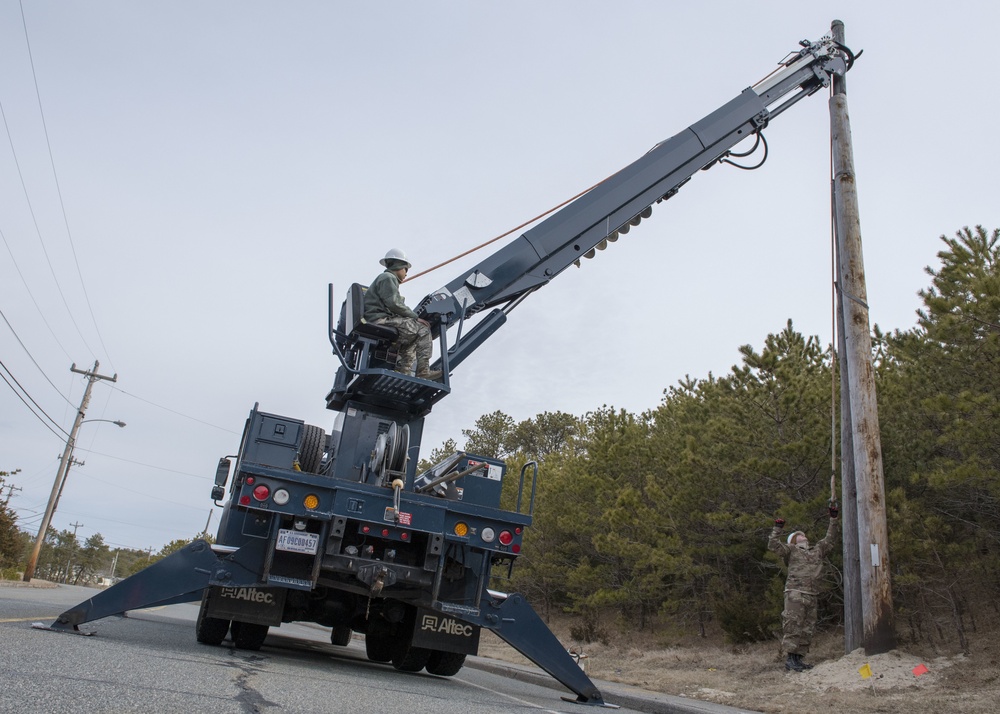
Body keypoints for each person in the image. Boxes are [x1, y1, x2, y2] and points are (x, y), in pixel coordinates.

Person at [768, 504, 839, 672]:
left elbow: (830, 538)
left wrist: (833, 519)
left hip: (812, 594)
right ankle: (790, 660)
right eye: (798, 536)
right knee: (793, 626)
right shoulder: (791, 551)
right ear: (792, 541)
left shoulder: (817, 550)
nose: (802, 537)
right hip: (795, 593)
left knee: (807, 628)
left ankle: (799, 659)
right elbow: (773, 545)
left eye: (803, 535)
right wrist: (777, 529)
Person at [363, 248, 442, 381]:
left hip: (379, 318)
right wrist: (416, 318)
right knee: (423, 330)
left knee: (411, 336)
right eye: (406, 269)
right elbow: (394, 304)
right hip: (380, 320)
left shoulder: (386, 279)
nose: (406, 274)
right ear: (398, 266)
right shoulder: (388, 278)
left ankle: (404, 372)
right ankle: (423, 371)